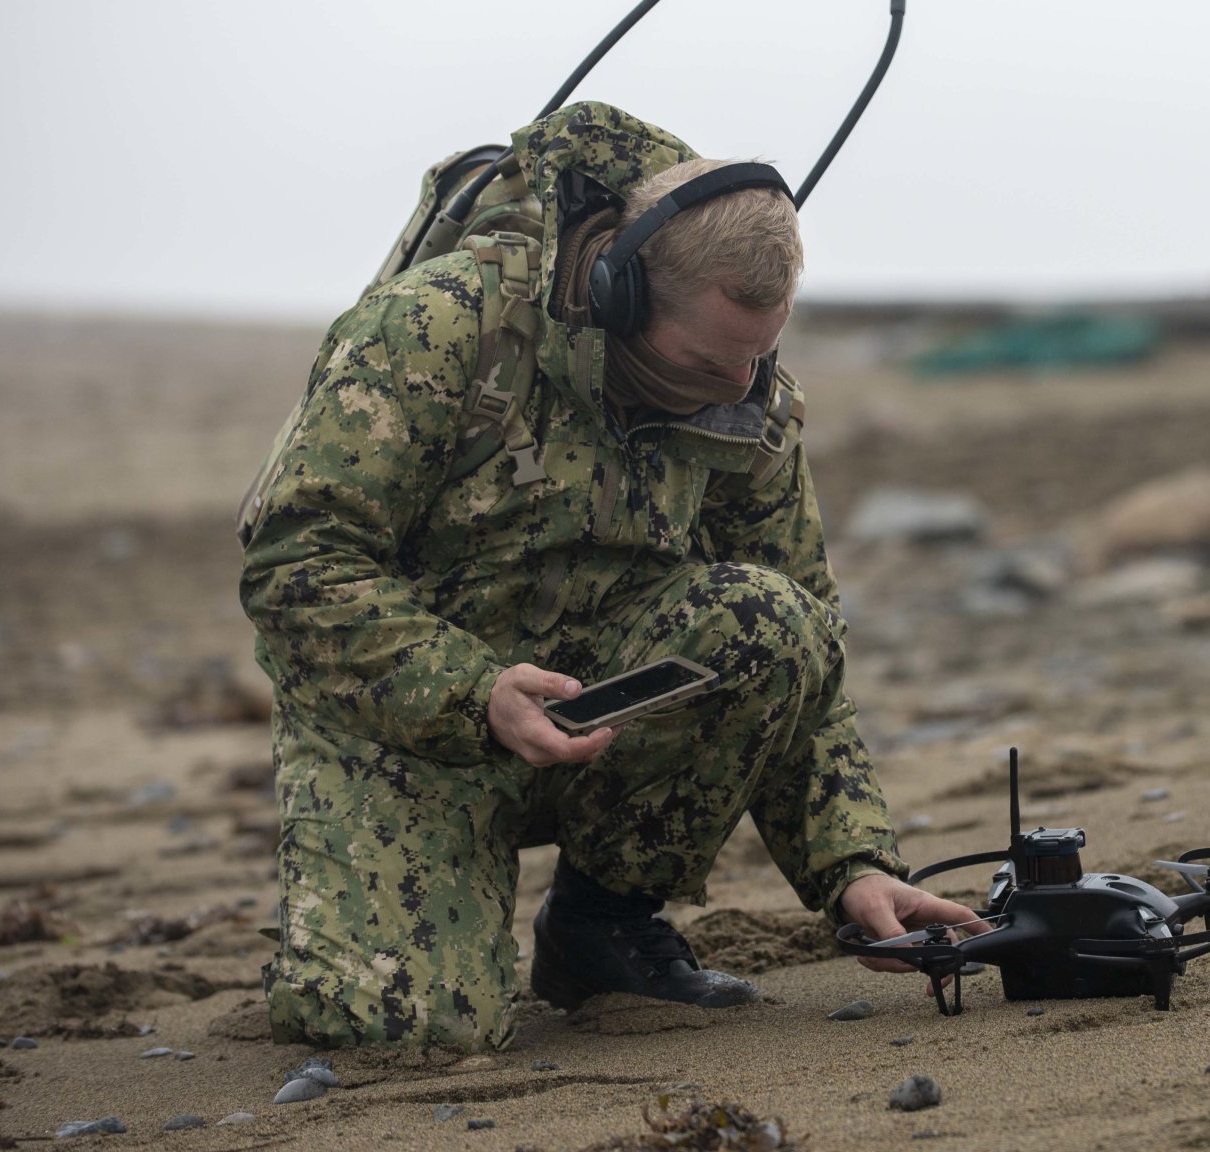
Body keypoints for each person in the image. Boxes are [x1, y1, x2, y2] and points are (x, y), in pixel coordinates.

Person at [238, 103, 973, 1049]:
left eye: (759, 357)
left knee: (768, 619)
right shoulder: (440, 329)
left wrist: (854, 864)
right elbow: (296, 560)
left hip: (594, 714)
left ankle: (600, 927)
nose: (738, 386)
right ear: (624, 293)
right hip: (406, 722)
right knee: (405, 1033)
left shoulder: (744, 401)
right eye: (712, 359)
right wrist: (471, 693)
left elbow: (807, 642)